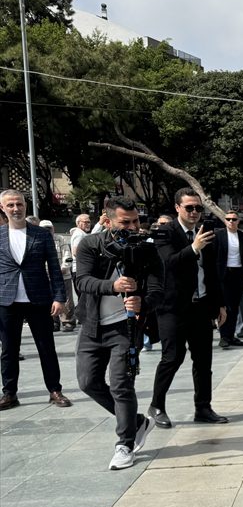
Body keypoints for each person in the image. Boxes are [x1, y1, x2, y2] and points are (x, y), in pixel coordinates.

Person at [73, 197, 164, 469]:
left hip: (126, 327)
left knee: (122, 384)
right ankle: (135, 422)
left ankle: (124, 443)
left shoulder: (148, 248)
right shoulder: (91, 244)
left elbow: (158, 290)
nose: (133, 227)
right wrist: (112, 286)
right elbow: (83, 281)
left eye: (136, 221)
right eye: (126, 222)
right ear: (108, 219)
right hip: (92, 325)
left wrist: (142, 302)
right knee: (87, 382)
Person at [147, 189, 228, 427]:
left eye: (198, 208)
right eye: (189, 208)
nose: (194, 212)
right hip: (172, 307)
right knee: (172, 357)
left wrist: (220, 303)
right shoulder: (165, 232)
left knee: (204, 361)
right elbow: (168, 264)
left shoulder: (206, 233)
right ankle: (157, 406)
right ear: (177, 208)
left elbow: (213, 272)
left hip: (201, 305)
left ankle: (203, 408)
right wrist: (194, 247)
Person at [0, 190, 72, 410]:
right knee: (9, 350)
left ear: (25, 205)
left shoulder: (40, 234)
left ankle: (55, 390)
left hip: (39, 299)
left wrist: (59, 297)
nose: (16, 209)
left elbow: (54, 268)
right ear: (2, 208)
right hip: (7, 301)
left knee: (46, 347)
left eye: (19, 204)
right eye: (10, 205)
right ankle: (9, 393)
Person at [216, 211, 243, 348]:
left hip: (238, 275)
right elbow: (212, 256)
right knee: (224, 307)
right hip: (223, 275)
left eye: (234, 219)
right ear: (225, 221)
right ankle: (223, 336)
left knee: (235, 308)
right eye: (228, 219)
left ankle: (231, 335)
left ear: (238, 221)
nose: (231, 221)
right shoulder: (219, 235)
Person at [42, 220, 76, 332]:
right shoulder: (38, 239)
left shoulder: (60, 239)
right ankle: (54, 322)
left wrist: (64, 268)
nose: (47, 231)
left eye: (49, 228)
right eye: (44, 228)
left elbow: (67, 255)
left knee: (67, 300)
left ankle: (68, 322)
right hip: (45, 276)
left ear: (53, 229)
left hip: (62, 275)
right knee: (49, 300)